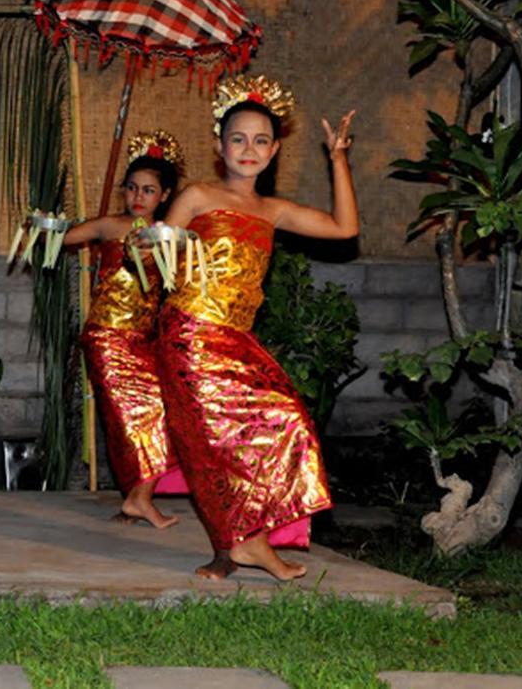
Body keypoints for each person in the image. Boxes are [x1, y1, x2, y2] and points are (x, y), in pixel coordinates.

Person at [156, 74, 356, 581]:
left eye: (260, 140)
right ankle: (238, 547)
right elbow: (159, 254)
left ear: (273, 152)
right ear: (220, 148)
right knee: (215, 443)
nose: (249, 148)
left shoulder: (274, 210)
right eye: (238, 138)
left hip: (237, 339)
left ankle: (247, 542)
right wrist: (147, 247)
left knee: (287, 422)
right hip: (191, 333)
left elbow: (344, 229)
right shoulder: (198, 195)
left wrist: (337, 159)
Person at [63, 131, 188, 529]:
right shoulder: (110, 226)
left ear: (164, 196)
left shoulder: (169, 237)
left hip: (144, 340)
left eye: (149, 190)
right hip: (107, 336)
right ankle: (141, 499)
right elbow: (61, 238)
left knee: (151, 416)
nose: (138, 196)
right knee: (142, 414)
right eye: (132, 188)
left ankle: (137, 498)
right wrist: (42, 227)